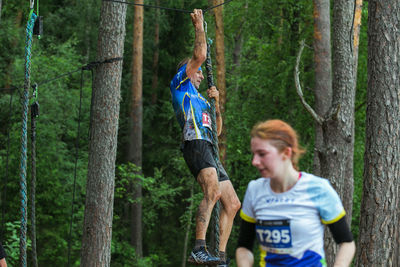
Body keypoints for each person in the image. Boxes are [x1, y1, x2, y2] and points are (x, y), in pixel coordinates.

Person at [170, 9, 241, 266]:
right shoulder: (180, 85)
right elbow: (200, 54)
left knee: (232, 203)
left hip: (209, 145)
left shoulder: (201, 99)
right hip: (195, 143)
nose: (201, 74)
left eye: (201, 72)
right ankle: (198, 248)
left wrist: (217, 105)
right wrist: (199, 26)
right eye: (197, 71)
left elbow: (218, 131)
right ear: (187, 71)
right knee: (211, 191)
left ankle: (219, 257)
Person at [235, 119, 355, 267]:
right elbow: (244, 247)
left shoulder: (317, 188)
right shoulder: (255, 190)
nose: (255, 161)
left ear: (286, 153)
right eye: (254, 154)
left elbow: (347, 243)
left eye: (262, 154)